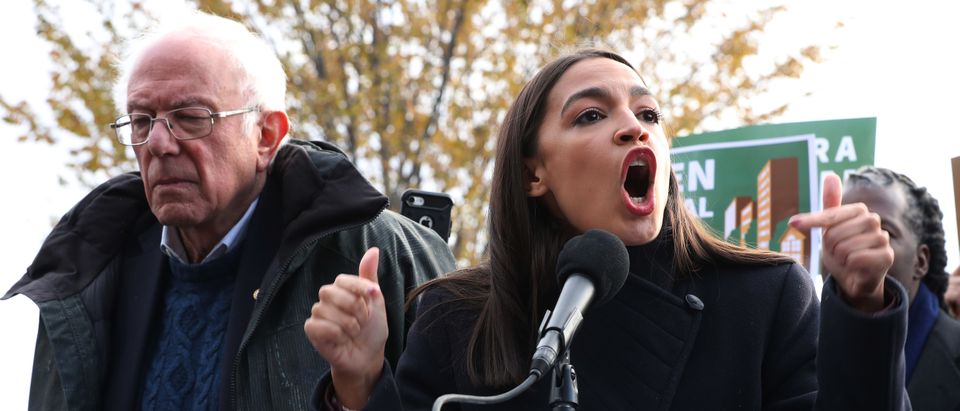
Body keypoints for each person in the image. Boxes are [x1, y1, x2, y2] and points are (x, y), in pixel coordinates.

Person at [304, 48, 911, 410]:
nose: (633, 127)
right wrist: (360, 385)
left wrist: (862, 306)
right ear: (533, 173)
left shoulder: (765, 297)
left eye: (648, 113)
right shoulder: (455, 318)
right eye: (592, 115)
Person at [2, 9, 455, 411]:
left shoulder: (374, 254)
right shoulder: (85, 270)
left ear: (266, 136)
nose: (158, 143)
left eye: (192, 117)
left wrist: (362, 391)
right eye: (141, 120)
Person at [841, 167, 960, 410]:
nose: (859, 247)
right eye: (843, 231)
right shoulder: (800, 353)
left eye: (883, 232)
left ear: (921, 261)